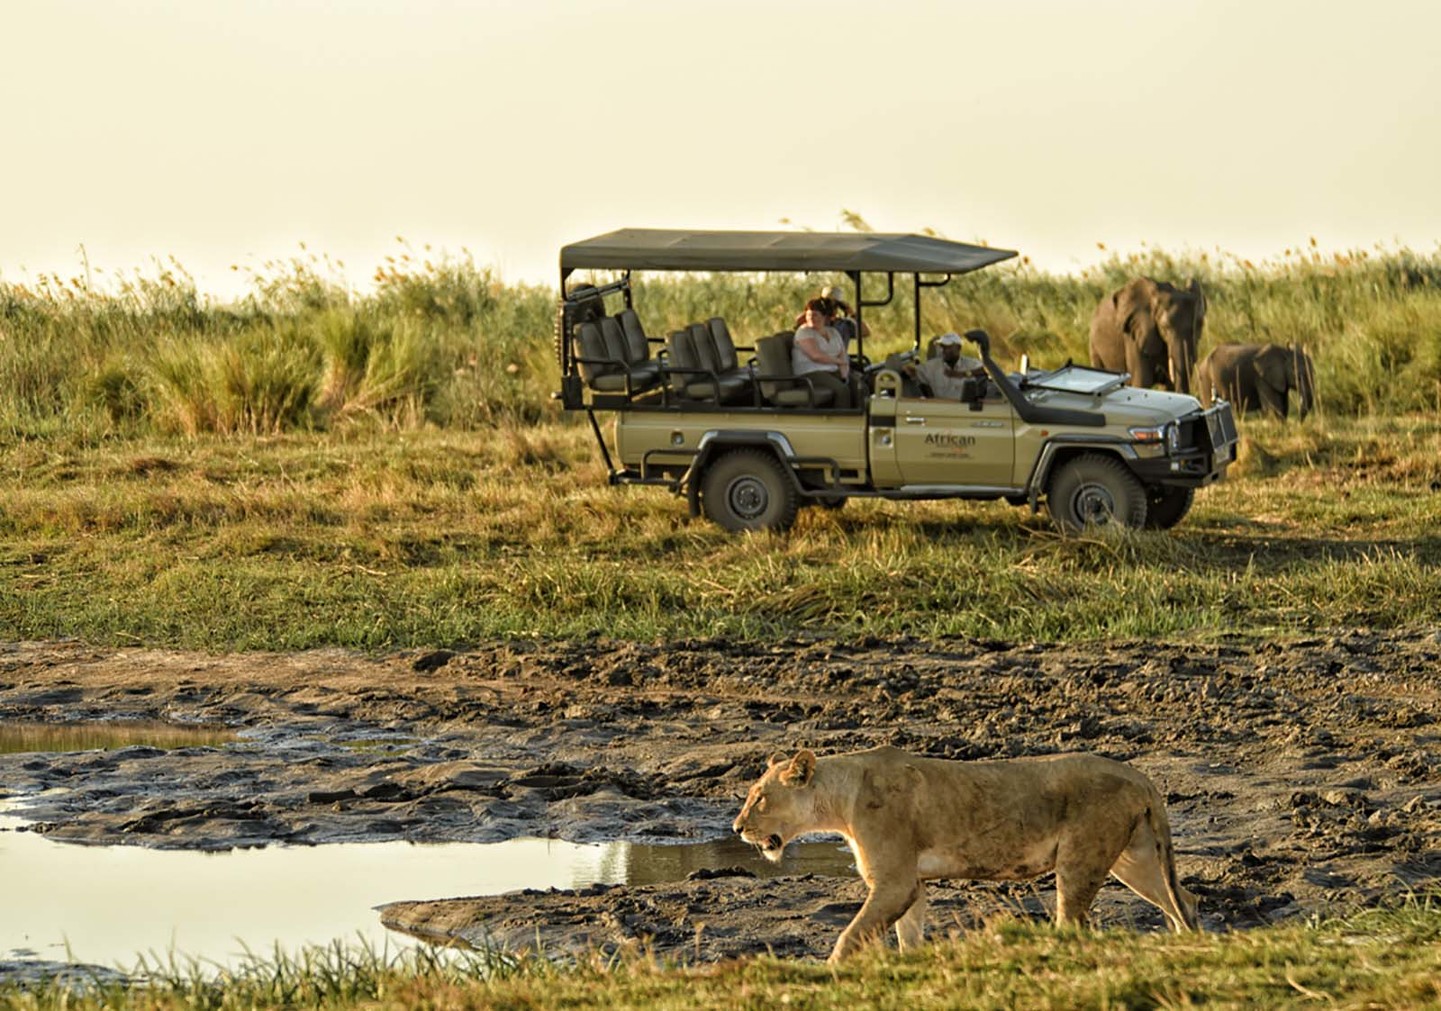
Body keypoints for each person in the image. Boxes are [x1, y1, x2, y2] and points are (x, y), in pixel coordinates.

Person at [791, 298, 853, 408]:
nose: (811, 318)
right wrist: (839, 362)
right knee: (842, 390)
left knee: (859, 385)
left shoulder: (833, 332)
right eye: (808, 314)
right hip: (811, 373)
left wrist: (844, 374)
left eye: (815, 315)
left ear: (824, 317)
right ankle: (841, 422)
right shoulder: (804, 332)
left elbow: (842, 354)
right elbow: (816, 356)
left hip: (831, 370)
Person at [907, 331, 985, 399]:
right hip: (941, 411)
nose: (943, 350)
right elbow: (910, 371)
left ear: (958, 348)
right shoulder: (932, 366)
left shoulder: (969, 363)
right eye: (942, 347)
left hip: (964, 411)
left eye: (948, 347)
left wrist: (962, 374)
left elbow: (986, 370)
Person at [793, 285, 871, 345]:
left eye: (836, 305)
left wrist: (853, 314)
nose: (831, 308)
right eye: (827, 303)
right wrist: (816, 307)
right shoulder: (815, 320)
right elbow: (798, 322)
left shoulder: (844, 325)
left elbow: (866, 332)